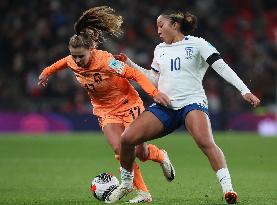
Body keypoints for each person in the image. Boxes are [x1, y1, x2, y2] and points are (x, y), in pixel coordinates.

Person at [107, 10, 261, 204]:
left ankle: (228, 189)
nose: (158, 30)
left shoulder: (198, 44)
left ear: (175, 25)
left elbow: (221, 66)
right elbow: (154, 79)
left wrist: (244, 90)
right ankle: (127, 184)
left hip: (192, 103)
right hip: (165, 107)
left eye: (161, 25)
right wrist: (130, 64)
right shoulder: (160, 49)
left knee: (205, 142)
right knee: (127, 139)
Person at [37, 6, 175, 203]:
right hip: (105, 110)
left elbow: (133, 74)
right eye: (74, 56)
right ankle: (143, 193)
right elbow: (61, 63)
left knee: (140, 153)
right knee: (121, 150)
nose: (77, 60)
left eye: (81, 56)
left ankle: (160, 155)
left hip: (128, 103)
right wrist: (46, 72)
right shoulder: (72, 60)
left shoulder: (106, 61)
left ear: (91, 50)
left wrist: (154, 93)